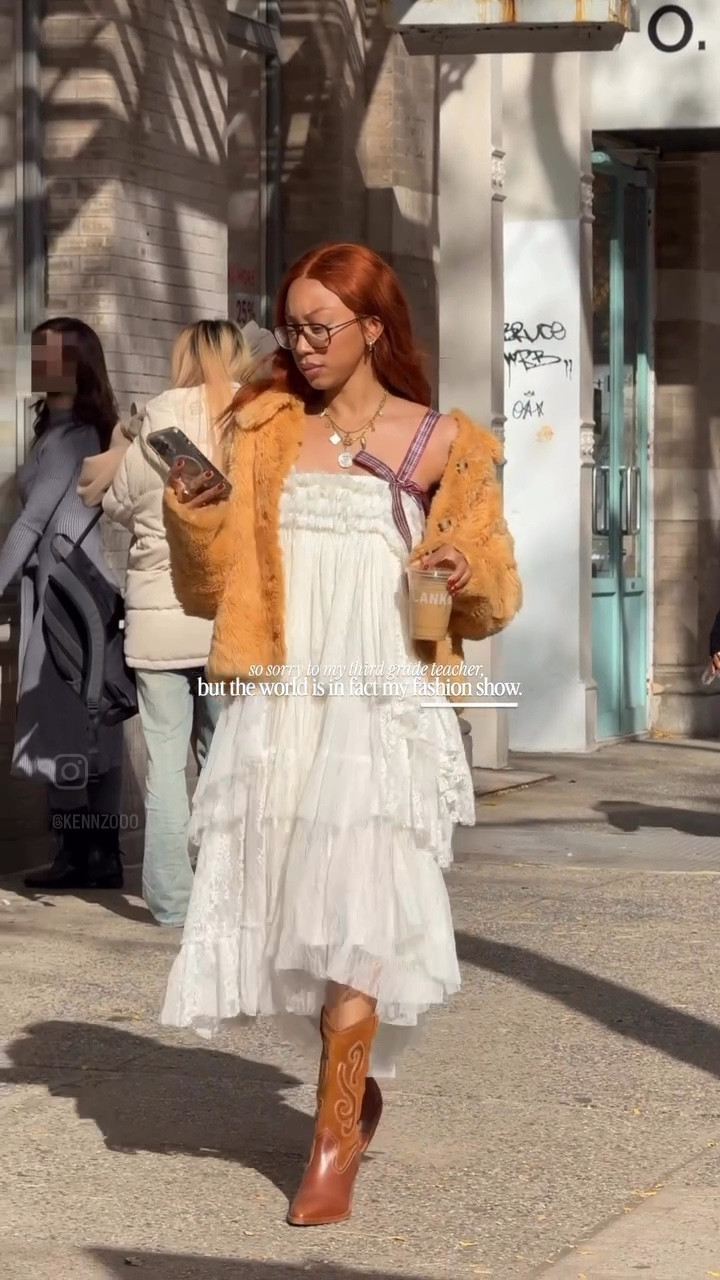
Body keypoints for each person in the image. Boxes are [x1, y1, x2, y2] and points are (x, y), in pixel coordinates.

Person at [158, 243, 522, 1225]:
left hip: (381, 697)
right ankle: (348, 1088)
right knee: (295, 911)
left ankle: (329, 1141)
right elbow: (211, 586)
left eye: (324, 327)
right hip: (282, 696)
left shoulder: (448, 443)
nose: (304, 347)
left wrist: (456, 569)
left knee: (358, 904)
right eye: (294, 327)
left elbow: (496, 597)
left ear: (375, 327)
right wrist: (196, 517)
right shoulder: (264, 428)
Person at [102, 320, 256, 927]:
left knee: (164, 764)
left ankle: (170, 898)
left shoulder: (150, 433)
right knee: (225, 757)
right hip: (226, 620)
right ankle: (229, 888)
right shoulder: (248, 428)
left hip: (157, 628)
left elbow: (115, 505)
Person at [0, 317, 125, 890]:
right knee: (79, 722)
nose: (36, 364)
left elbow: (30, 525)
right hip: (64, 588)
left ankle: (84, 854)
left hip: (65, 596)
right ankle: (91, 853)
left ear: (77, 365)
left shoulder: (74, 437)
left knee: (70, 722)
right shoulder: (59, 430)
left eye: (48, 355)